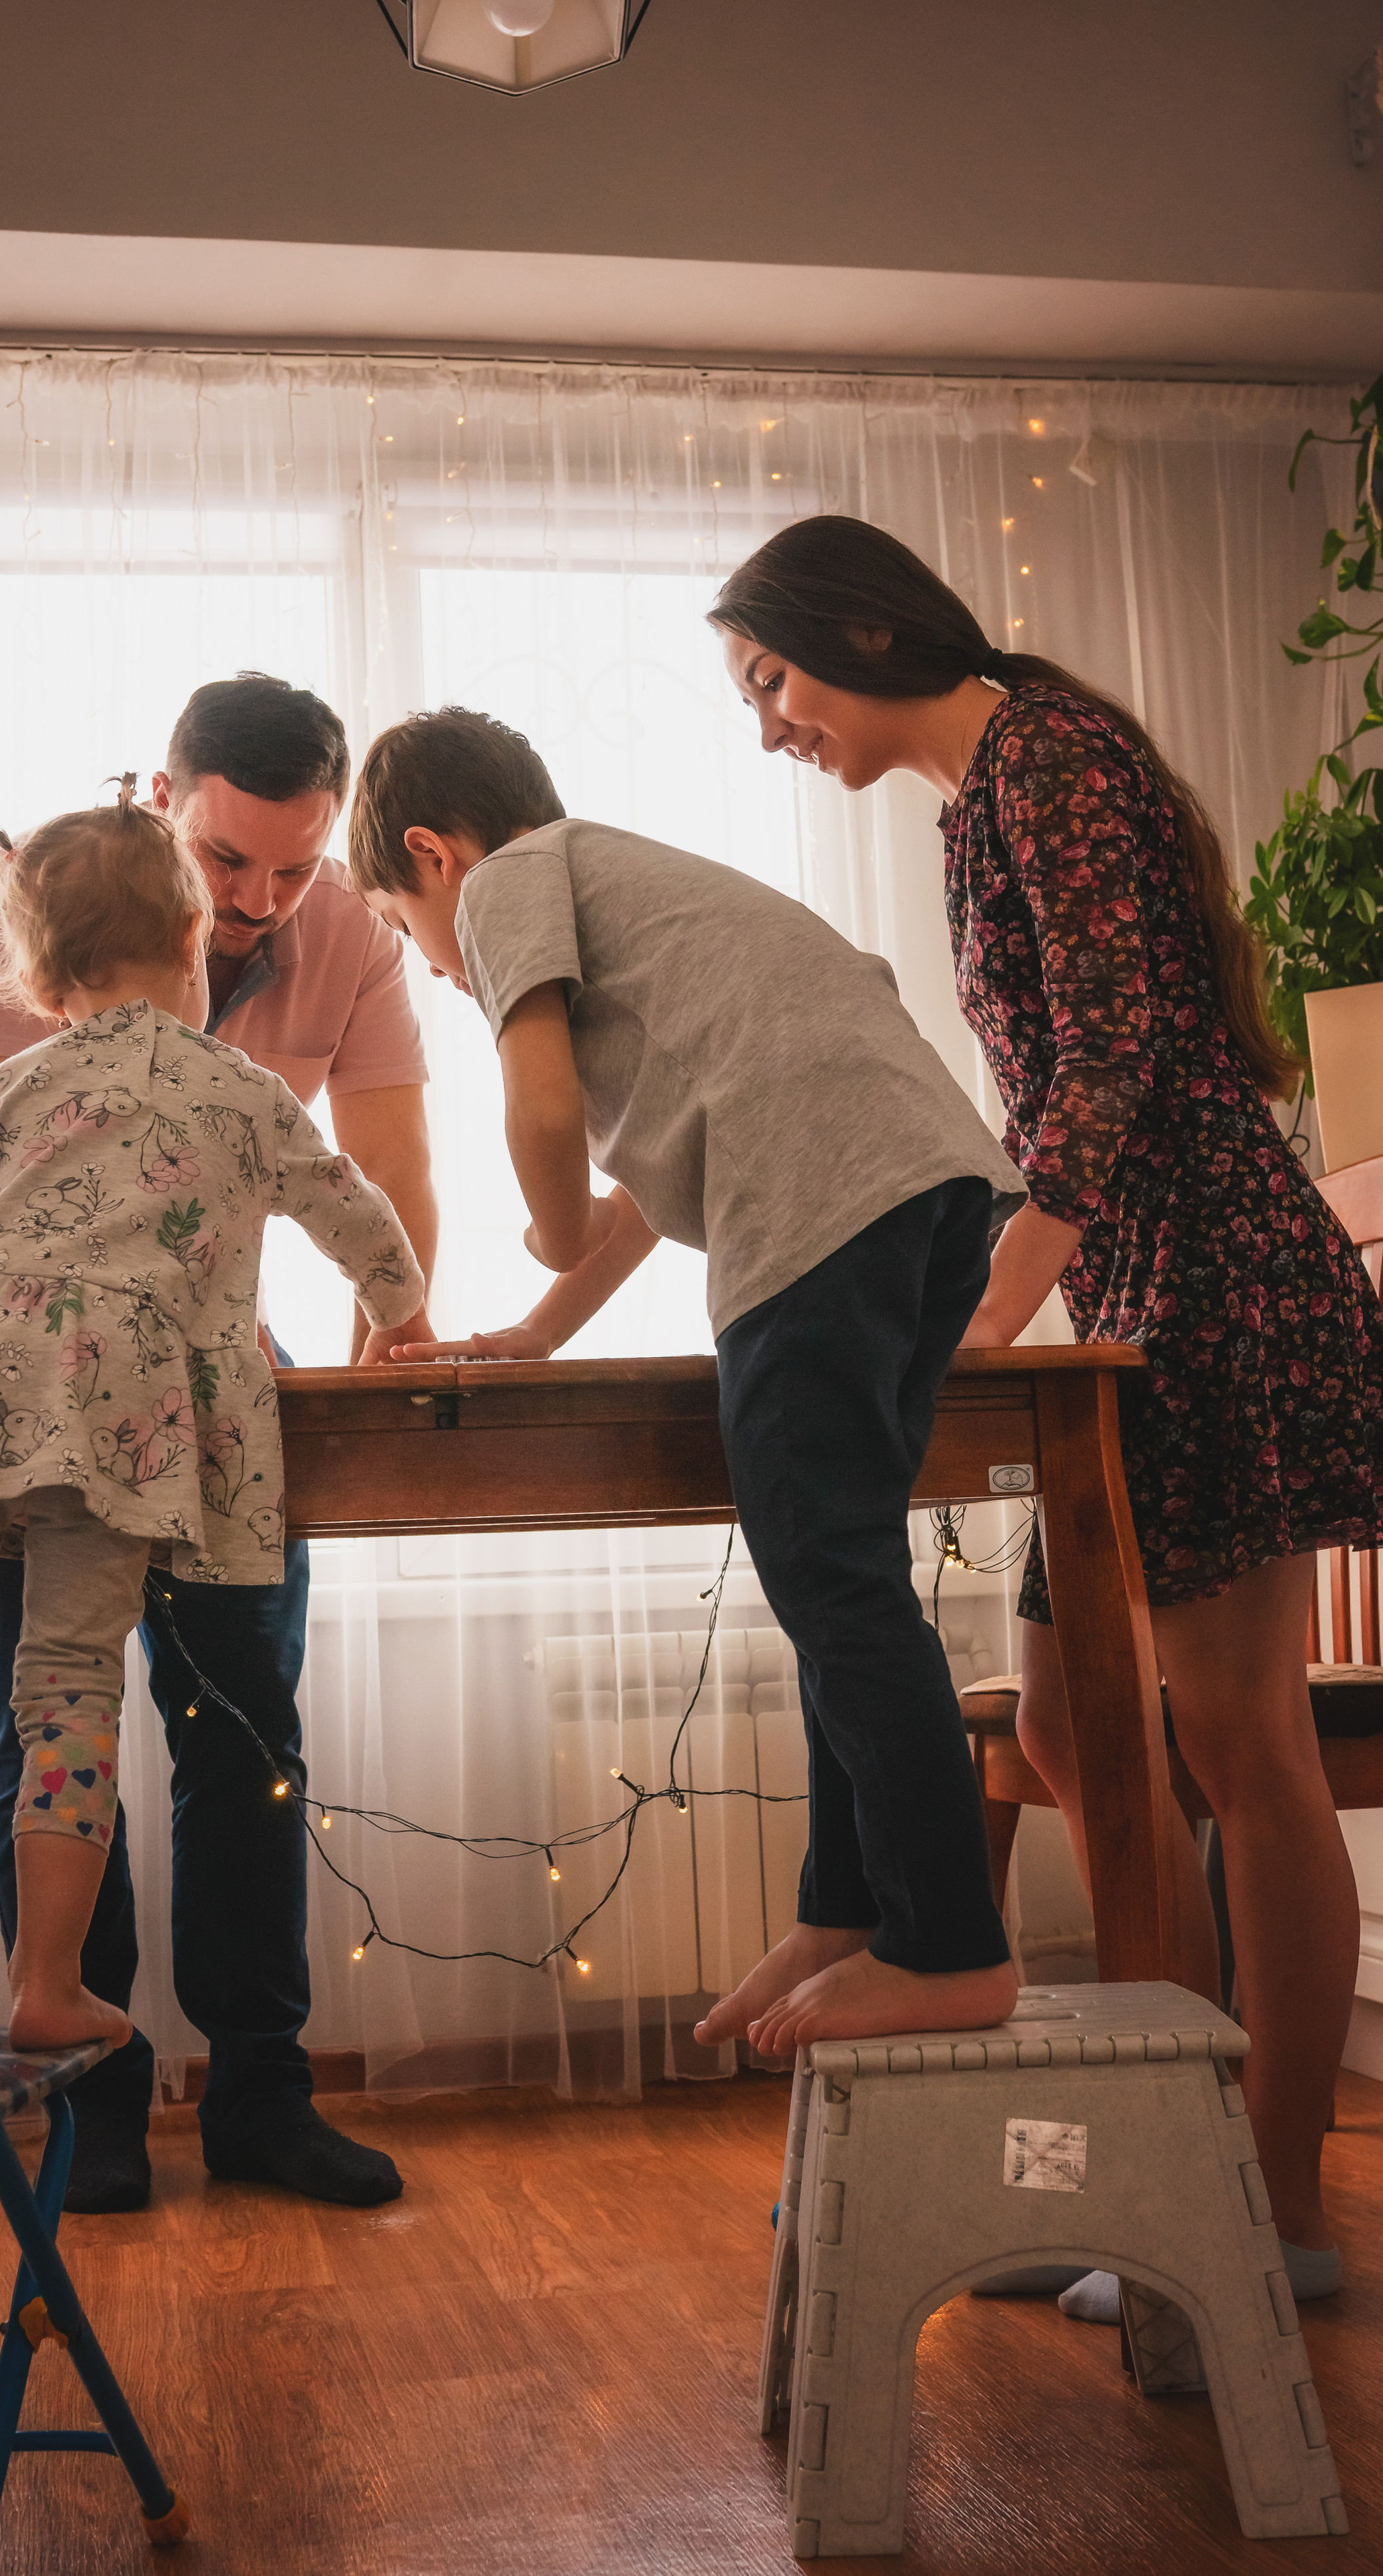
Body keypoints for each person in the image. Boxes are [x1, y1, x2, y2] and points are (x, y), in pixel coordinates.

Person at [707, 511, 1377, 2304]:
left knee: (1248, 1742)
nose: (772, 724)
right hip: (1133, 1289)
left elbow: (1119, 1058)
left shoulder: (1048, 758)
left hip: (1217, 1280)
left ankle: (1274, 2212)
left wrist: (994, 1305)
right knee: (1078, 1734)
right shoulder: (979, 791)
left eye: (770, 680)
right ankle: (1137, 2145)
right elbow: (1047, 1100)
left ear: (852, 631)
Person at [348, 706, 1030, 2049]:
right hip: (927, 1191)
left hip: (821, 1205)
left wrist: (539, 1224)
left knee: (828, 1584)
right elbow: (654, 1193)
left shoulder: (502, 882)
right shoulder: (651, 900)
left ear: (430, 857)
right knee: (841, 1580)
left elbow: (544, 1113)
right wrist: (541, 1326)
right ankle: (851, 1909)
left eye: (401, 928)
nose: (429, 966)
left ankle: (950, 1944)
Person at [0, 784, 427, 2056]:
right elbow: (355, 1209)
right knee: (68, 1688)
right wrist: (400, 1307)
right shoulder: (238, 1089)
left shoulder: (12, 1087)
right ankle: (47, 1983)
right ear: (194, 938)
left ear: (43, 978)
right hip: (111, 1405)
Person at [0, 676, 438, 2214]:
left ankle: (261, 2098)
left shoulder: (346, 930)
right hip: (36, 1385)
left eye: (293, 869)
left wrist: (387, 1358)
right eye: (229, 865)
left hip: (220, 1376)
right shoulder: (44, 904)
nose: (258, 904)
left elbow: (387, 1185)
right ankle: (89, 2096)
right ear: (166, 799)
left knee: (247, 1736)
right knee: (46, 1715)